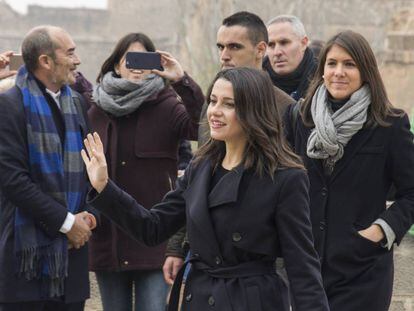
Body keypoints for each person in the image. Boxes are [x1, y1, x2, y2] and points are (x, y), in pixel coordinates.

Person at [82, 67, 330, 311]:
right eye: (213, 101)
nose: (215, 112)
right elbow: (153, 228)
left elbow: (301, 265)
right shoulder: (199, 167)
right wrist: (105, 187)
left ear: (253, 111)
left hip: (253, 300)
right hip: (200, 296)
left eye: (229, 104)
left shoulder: (286, 177)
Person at [284, 30, 414, 311]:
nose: (338, 72)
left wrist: (382, 230)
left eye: (349, 64)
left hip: (362, 270)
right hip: (307, 268)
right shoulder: (302, 120)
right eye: (331, 64)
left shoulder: (390, 124)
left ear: (366, 71)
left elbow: (411, 193)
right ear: (322, 70)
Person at [164, 12, 296, 284]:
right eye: (220, 47)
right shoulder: (213, 108)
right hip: (204, 258)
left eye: (234, 47)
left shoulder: (285, 110)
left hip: (257, 269)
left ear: (261, 50)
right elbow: (195, 180)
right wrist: (176, 247)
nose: (224, 55)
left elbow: (293, 198)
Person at [87, 32, 203, 311]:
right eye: (130, 59)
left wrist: (181, 80)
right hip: (109, 237)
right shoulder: (94, 109)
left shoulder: (167, 104)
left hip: (154, 237)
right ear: (116, 64)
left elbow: (201, 126)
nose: (137, 66)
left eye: (144, 59)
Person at [0, 26, 93, 311]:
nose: (77, 60)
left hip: (72, 259)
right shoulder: (9, 105)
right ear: (45, 61)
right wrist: (66, 224)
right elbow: (13, 180)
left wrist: (90, 218)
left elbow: (93, 167)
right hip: (25, 261)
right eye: (70, 53)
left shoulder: (77, 102)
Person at [263, 15, 317, 100]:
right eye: (271, 45)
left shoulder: (323, 81)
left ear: (303, 43)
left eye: (284, 43)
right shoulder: (254, 84)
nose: (277, 52)